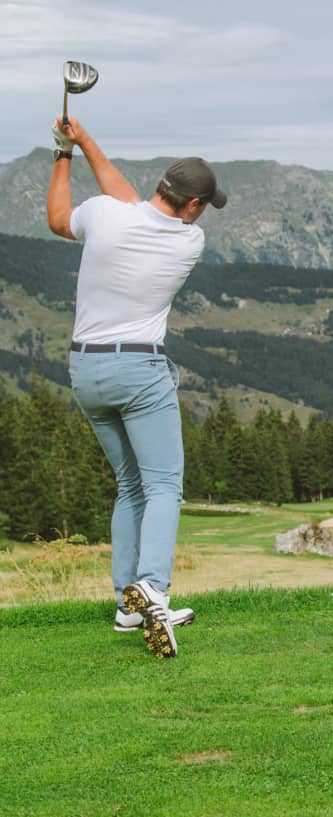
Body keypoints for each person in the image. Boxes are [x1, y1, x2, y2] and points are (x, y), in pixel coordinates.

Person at [47, 116, 227, 659]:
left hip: (86, 372)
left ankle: (128, 606)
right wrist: (83, 143)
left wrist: (67, 152)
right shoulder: (187, 243)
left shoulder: (105, 217)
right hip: (140, 374)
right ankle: (153, 587)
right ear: (193, 206)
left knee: (130, 485)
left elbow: (61, 218)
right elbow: (133, 209)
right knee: (164, 485)